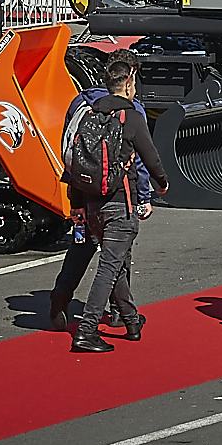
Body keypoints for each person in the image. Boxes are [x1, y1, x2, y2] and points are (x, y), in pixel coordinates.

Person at [65, 54, 171, 353]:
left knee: (116, 262)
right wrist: (160, 185)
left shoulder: (88, 113)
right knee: (110, 267)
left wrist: (78, 203)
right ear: (129, 82)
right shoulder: (131, 116)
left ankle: (131, 319)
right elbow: (150, 159)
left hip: (91, 201)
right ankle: (87, 330)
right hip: (119, 200)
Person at [49, 77, 154, 334]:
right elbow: (139, 158)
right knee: (116, 256)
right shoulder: (130, 110)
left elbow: (72, 151)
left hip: (84, 188)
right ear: (129, 80)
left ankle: (61, 296)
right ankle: (119, 313)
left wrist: (75, 198)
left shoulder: (81, 102)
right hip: (116, 191)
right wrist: (145, 196)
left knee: (82, 246)